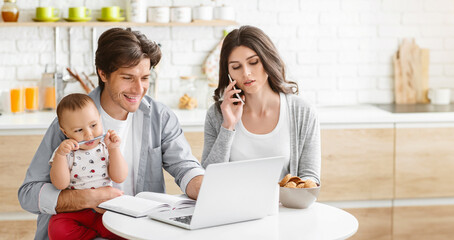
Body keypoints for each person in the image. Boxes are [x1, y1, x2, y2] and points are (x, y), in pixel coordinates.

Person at [19, 28, 205, 239]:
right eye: (128, 77)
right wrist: (90, 198)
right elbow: (28, 194)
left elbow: (185, 167)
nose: (138, 89)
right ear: (103, 73)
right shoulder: (72, 122)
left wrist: (206, 188)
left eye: (145, 78)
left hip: (135, 231)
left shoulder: (160, 117)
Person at [201, 25, 321, 184]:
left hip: (284, 207)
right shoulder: (217, 114)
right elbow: (208, 180)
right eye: (236, 67)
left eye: (253, 62)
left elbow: (310, 179)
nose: (246, 73)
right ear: (228, 73)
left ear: (267, 60)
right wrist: (227, 126)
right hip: (232, 207)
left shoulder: (302, 112)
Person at [48, 93, 127, 240]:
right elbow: (60, 184)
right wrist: (60, 156)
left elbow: (119, 177)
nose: (89, 135)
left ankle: (97, 233)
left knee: (126, 227)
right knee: (56, 228)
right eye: (79, 130)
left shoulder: (106, 146)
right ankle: (92, 235)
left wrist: (114, 149)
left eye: (93, 125)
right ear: (65, 132)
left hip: (105, 209)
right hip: (74, 212)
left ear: (100, 119)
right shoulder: (65, 152)